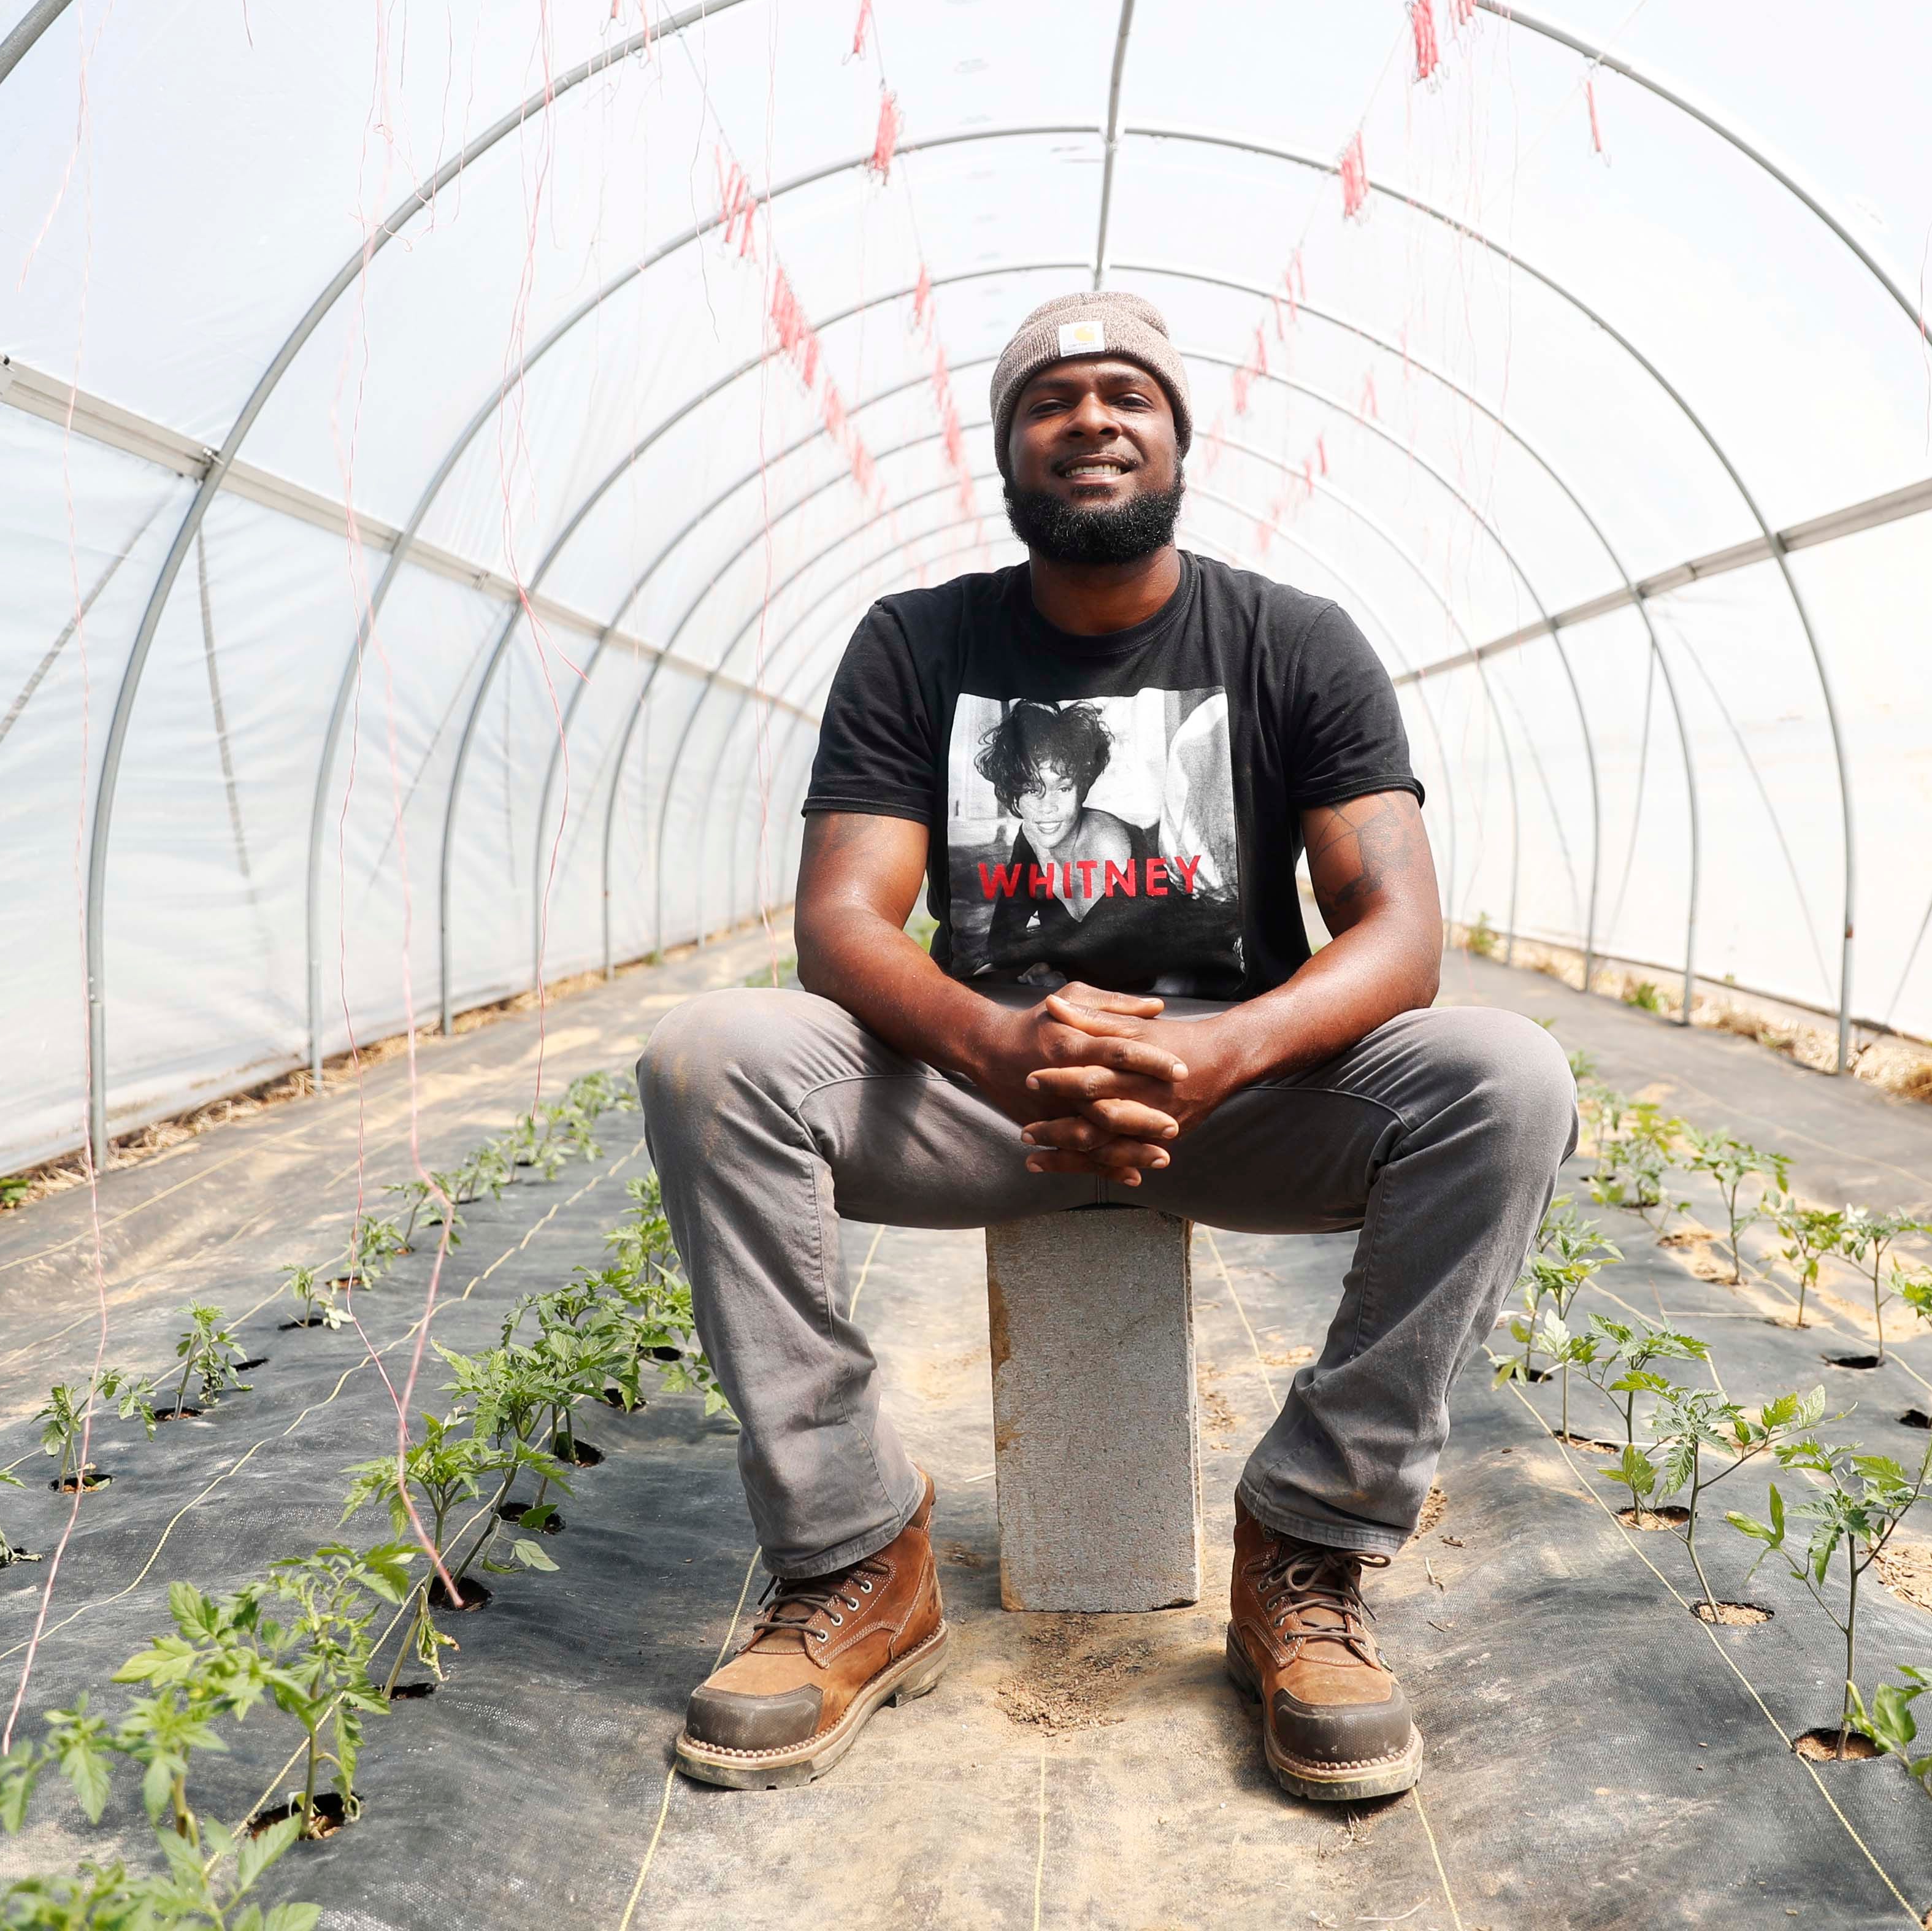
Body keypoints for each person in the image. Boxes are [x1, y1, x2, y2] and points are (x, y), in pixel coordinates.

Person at [636, 291, 1573, 1803]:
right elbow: (843, 921)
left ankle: (1311, 1547)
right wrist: (1001, 1047)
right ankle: (855, 1555)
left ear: (1178, 439)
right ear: (1007, 451)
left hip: (1234, 1097)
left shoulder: (1294, 642)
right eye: (1050, 400)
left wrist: (1221, 1053)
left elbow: (1401, 928)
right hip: (973, 1095)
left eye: (1126, 393)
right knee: (709, 1052)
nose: (1091, 419)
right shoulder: (916, 640)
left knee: (1510, 1077)